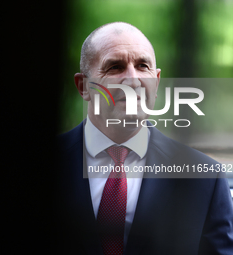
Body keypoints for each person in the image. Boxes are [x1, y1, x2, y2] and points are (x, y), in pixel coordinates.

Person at [56, 22, 233, 255]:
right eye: (115, 67)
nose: (133, 80)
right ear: (83, 86)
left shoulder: (206, 179)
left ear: (157, 81)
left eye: (142, 66)